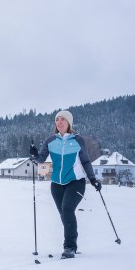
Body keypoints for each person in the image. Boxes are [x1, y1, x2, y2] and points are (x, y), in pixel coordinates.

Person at [30, 110, 101, 258]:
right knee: (64, 213)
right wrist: (35, 155)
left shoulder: (77, 140)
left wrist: (93, 179)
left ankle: (69, 247)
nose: (59, 122)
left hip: (76, 182)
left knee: (67, 209)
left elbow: (86, 161)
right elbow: (41, 159)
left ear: (69, 123)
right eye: (57, 120)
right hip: (56, 184)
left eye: (63, 119)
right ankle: (72, 241)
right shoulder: (50, 141)